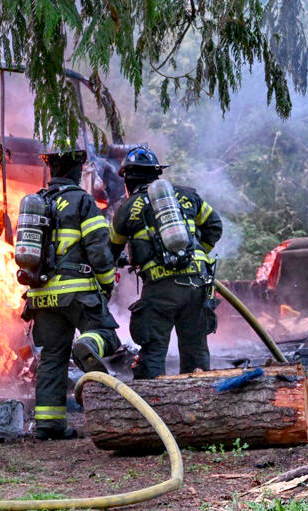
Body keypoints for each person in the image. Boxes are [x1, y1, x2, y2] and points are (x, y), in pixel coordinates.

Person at [21, 145, 121, 440]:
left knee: (52, 355)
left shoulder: (37, 201)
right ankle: (87, 346)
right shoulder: (82, 202)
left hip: (41, 295)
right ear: (77, 170)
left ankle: (49, 425)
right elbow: (99, 251)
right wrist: (106, 284)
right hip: (77, 291)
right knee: (104, 333)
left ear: (51, 169)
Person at [109, 147, 223, 379]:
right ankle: (200, 406)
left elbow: (110, 250)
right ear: (156, 174)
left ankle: (154, 408)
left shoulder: (127, 209)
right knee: (196, 351)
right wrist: (198, 256)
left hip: (160, 289)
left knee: (153, 351)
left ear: (128, 179)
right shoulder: (187, 196)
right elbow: (214, 226)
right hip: (197, 283)